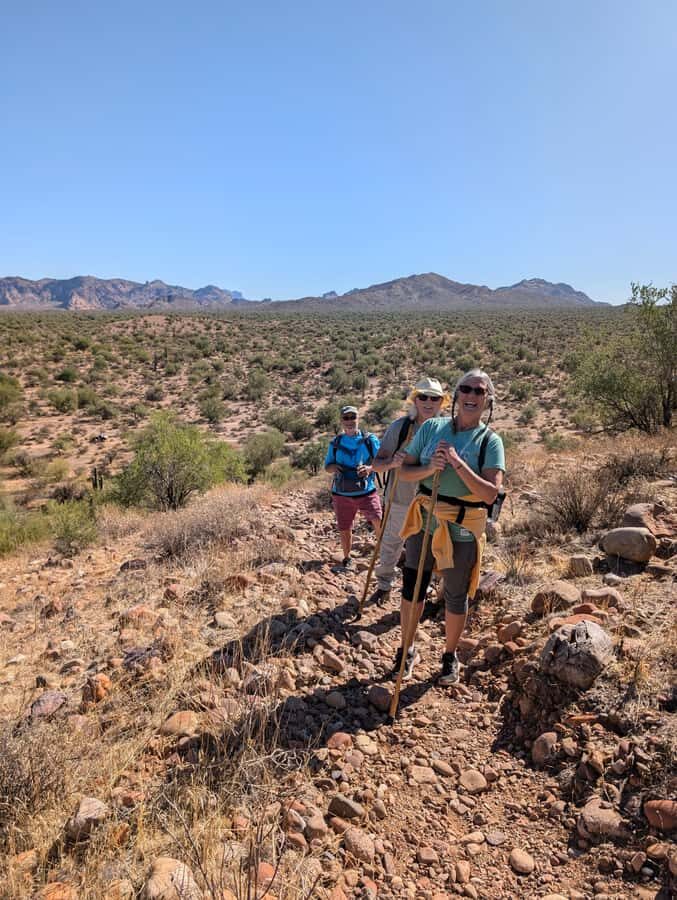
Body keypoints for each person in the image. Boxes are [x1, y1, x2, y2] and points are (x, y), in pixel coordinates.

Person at [395, 368, 505, 683]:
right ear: (456, 396)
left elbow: (489, 493)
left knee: (456, 594)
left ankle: (449, 655)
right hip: (425, 519)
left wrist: (457, 464)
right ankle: (407, 648)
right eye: (466, 389)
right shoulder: (432, 428)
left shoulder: (490, 441)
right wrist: (430, 466)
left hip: (462, 526)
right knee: (412, 586)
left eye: (479, 392)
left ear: (487, 399)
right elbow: (405, 471)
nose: (471, 396)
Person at [369, 378, 450, 605]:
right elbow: (377, 464)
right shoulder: (401, 428)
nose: (428, 402)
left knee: (432, 549)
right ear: (415, 400)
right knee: (391, 545)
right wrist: (393, 463)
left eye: (434, 398)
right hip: (401, 499)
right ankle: (384, 585)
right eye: (423, 396)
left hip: (434, 502)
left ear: (441, 402)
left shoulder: (448, 430)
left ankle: (423, 593)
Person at [324, 405, 382, 569]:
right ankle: (347, 558)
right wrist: (334, 467)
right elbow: (327, 467)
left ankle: (385, 555)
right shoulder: (335, 443)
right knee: (345, 527)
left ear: (358, 418)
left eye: (352, 417)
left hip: (367, 491)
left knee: (378, 520)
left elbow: (381, 462)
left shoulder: (370, 440)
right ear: (341, 421)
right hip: (341, 493)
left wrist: (370, 469)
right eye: (346, 418)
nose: (350, 421)